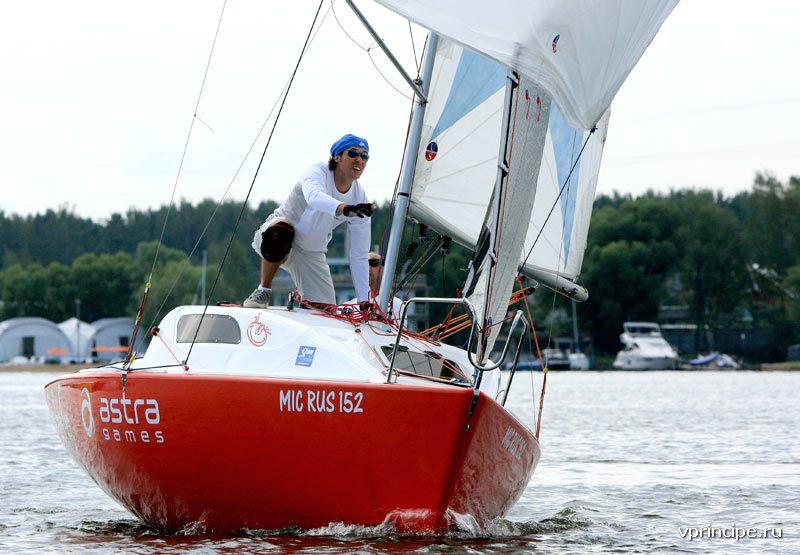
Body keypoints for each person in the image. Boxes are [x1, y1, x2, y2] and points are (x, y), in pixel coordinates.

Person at [243, 134, 375, 308]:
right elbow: (314, 197)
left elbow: (359, 253)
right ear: (337, 157)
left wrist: (364, 300)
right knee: (282, 231)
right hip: (276, 237)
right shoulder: (317, 172)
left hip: (310, 253)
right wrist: (345, 208)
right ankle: (263, 291)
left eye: (364, 156)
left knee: (325, 311)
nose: (359, 159)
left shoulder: (359, 197)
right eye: (353, 154)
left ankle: (302, 299)